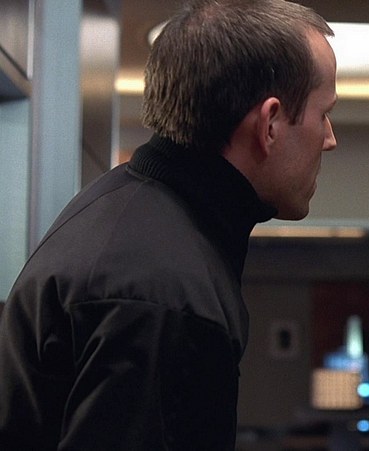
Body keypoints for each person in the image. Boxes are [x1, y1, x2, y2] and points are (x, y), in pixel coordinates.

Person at [0, 0, 336, 449]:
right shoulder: (165, 293)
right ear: (270, 123)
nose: (330, 138)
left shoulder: (128, 208)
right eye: (323, 113)